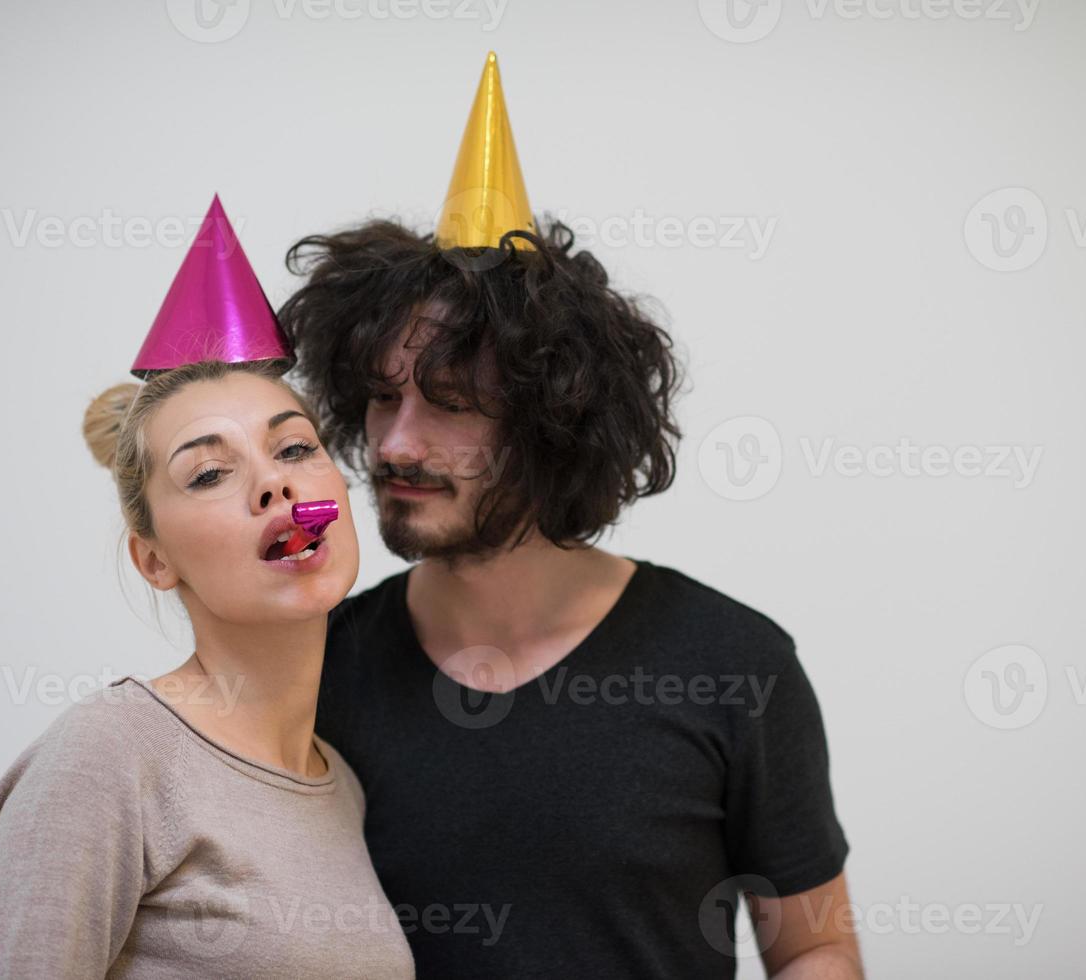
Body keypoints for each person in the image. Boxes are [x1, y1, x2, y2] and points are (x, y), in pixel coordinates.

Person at [276, 54, 861, 978]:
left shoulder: (732, 666)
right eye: (381, 401)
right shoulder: (314, 675)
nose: (394, 444)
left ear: (556, 424)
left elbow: (815, 946)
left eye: (452, 402)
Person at [0, 198, 415, 979]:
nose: (272, 482)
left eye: (294, 448)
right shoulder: (109, 755)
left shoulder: (341, 787)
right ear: (155, 561)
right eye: (208, 472)